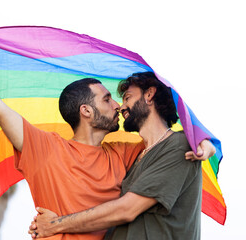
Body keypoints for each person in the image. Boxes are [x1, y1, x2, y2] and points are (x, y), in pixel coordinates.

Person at [0, 23, 213, 240]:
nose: (117, 106)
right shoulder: (44, 148)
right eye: (107, 99)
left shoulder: (127, 155)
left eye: (120, 98)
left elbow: (169, 141)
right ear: (86, 111)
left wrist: (206, 140)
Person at [30, 72, 206, 240]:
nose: (121, 107)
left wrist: (55, 224)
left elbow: (126, 210)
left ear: (149, 94)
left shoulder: (179, 145)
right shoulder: (137, 157)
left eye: (127, 98)